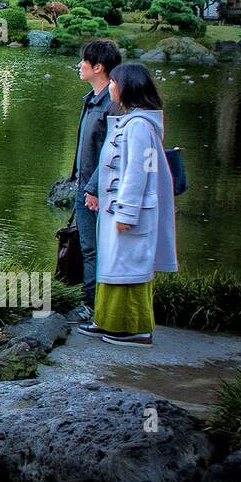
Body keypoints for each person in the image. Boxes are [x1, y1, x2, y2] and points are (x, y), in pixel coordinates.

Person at [77, 61, 178, 346]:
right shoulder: (129, 121)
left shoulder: (140, 128)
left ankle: (134, 328)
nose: (109, 86)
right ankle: (107, 321)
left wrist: (127, 212)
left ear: (126, 87)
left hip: (128, 213)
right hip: (115, 210)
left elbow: (138, 173)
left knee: (129, 269)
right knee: (112, 265)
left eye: (113, 82)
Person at [71, 39, 122, 320]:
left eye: (84, 61)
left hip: (97, 191)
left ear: (98, 67)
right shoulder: (93, 100)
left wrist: (92, 189)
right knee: (88, 247)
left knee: (94, 249)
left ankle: (94, 307)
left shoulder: (111, 106)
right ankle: (93, 303)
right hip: (85, 186)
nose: (80, 66)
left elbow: (110, 152)